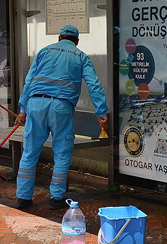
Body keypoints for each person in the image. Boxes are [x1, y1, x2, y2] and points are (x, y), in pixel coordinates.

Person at [14, 24, 108, 210]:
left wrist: (22, 109)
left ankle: (23, 198)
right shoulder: (81, 56)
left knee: (30, 151)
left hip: (35, 104)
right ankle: (56, 198)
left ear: (59, 37)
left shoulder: (43, 52)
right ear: (77, 41)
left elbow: (29, 80)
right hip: (61, 107)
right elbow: (94, 85)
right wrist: (101, 113)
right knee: (62, 152)